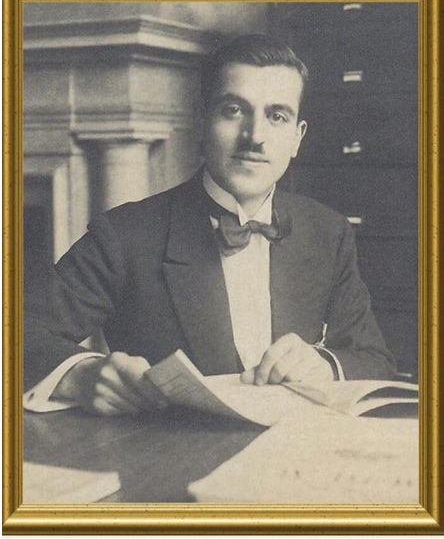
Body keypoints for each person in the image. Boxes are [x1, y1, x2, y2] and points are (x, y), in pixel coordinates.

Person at [24, 34, 396, 417]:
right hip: (165, 447)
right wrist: (82, 375)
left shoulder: (328, 232)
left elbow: (374, 359)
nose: (255, 137)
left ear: (297, 138)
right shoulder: (125, 235)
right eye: (233, 110)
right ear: (201, 124)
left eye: (277, 116)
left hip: (294, 447)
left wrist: (324, 365)